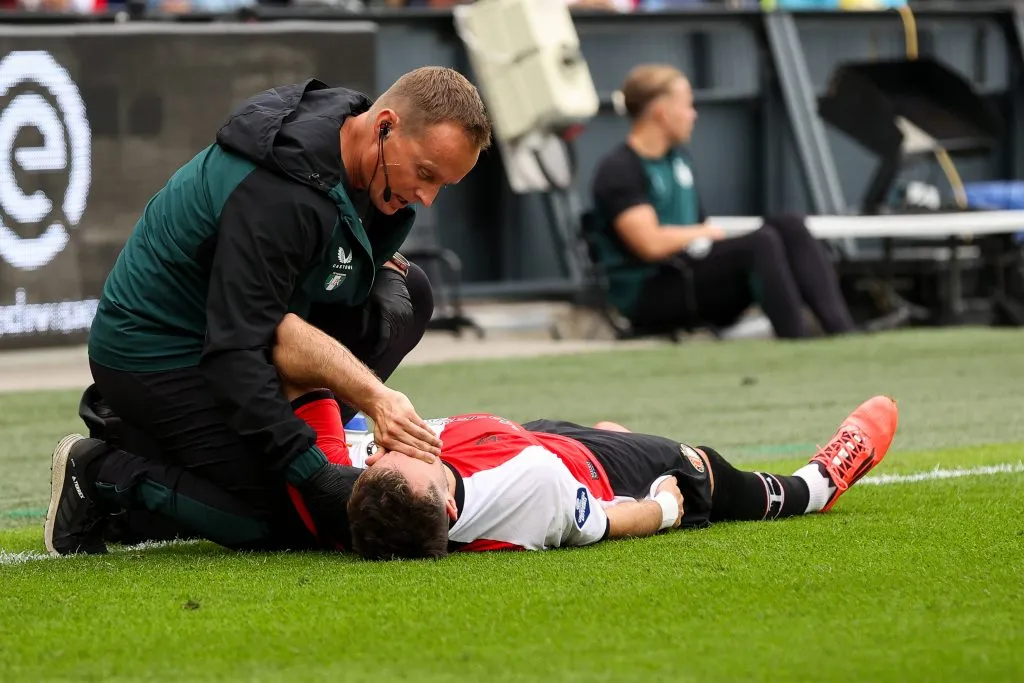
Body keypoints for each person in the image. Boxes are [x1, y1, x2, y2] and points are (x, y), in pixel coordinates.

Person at [57, 67, 492, 554]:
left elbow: (294, 314)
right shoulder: (282, 194)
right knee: (293, 518)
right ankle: (100, 469)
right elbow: (235, 352)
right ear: (385, 125)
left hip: (239, 334)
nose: (427, 198)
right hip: (157, 354)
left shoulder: (362, 154)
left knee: (409, 292)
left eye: (443, 186)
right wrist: (312, 473)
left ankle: (194, 461)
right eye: (426, 174)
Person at [344, 395, 898, 559]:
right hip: (591, 471)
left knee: (602, 427)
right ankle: (814, 485)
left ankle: (615, 432)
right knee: (697, 468)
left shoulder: (376, 476)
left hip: (532, 435)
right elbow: (605, 523)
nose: (385, 450)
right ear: (445, 507)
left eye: (378, 460)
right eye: (405, 460)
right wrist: (663, 508)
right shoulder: (534, 494)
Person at [589, 63, 857, 339]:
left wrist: (706, 234)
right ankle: (796, 338)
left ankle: (843, 334)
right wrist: (704, 232)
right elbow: (650, 244)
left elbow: (697, 226)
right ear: (662, 112)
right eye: (687, 106)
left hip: (691, 274)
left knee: (789, 225)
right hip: (651, 292)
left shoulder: (678, 160)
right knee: (760, 243)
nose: (694, 115)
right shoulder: (620, 170)